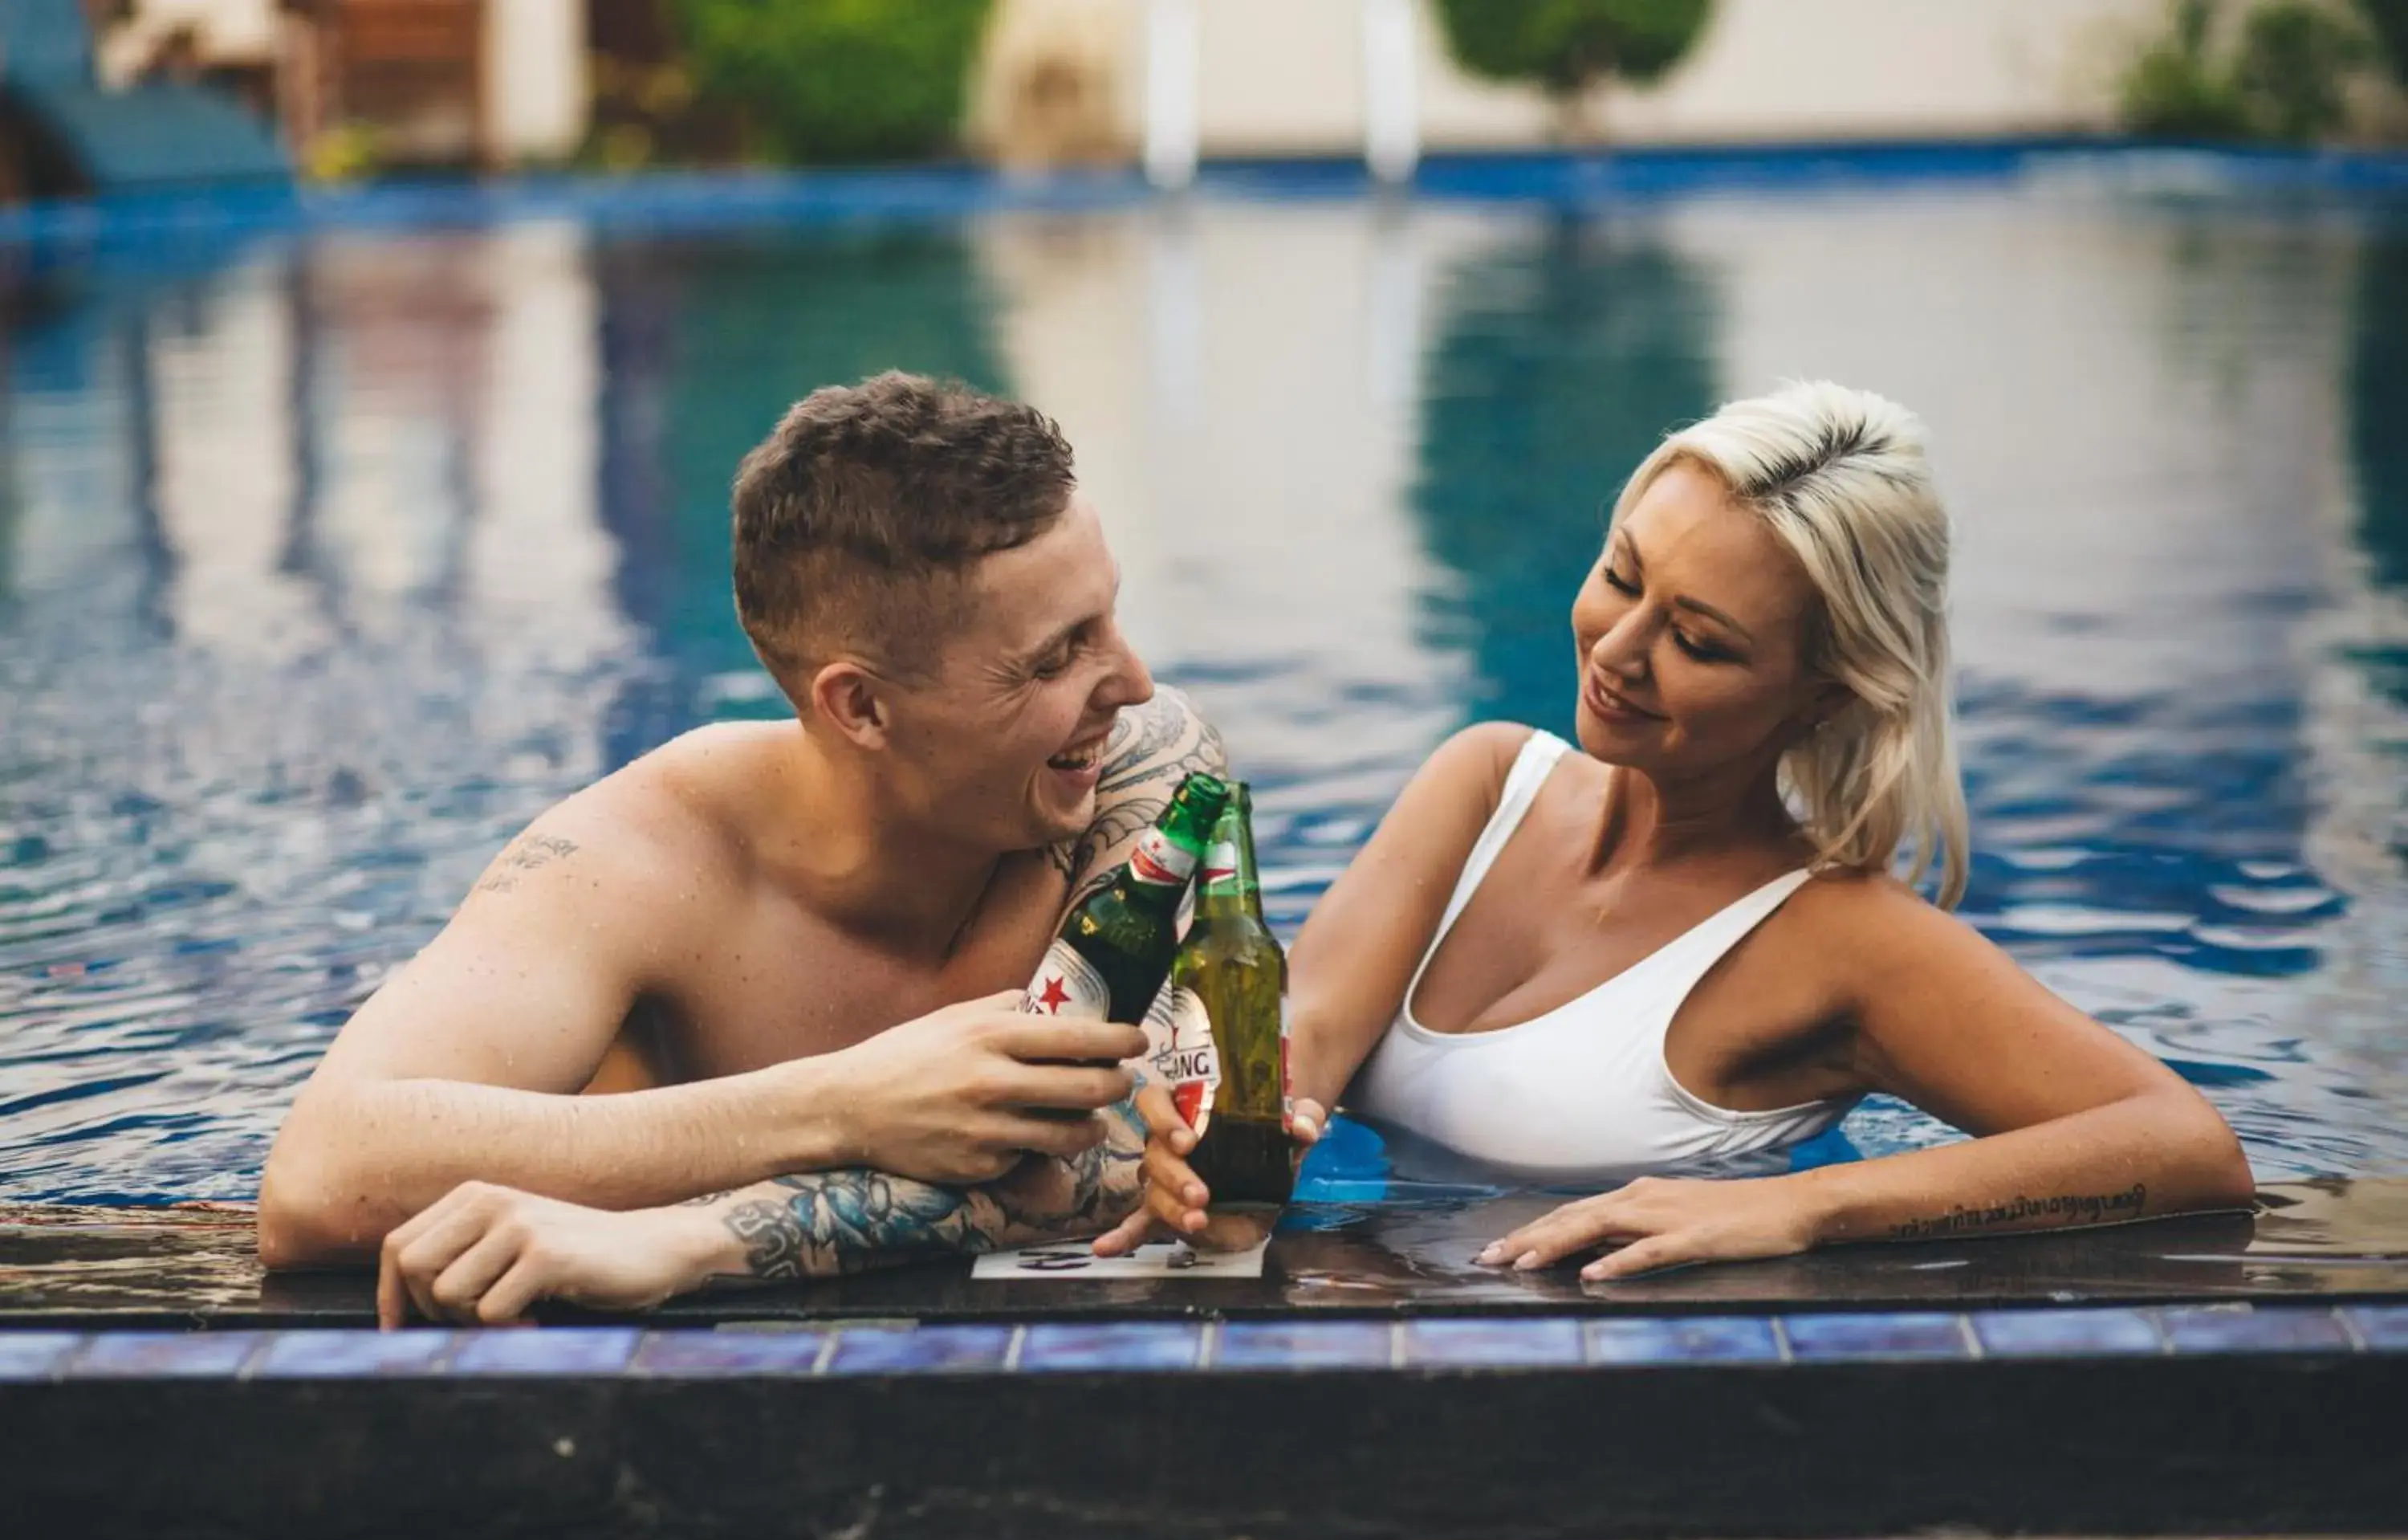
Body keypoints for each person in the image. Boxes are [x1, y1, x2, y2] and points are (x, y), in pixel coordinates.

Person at [1098, 381, 2255, 1278]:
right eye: (1621, 574)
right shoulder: (1485, 779)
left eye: (1699, 642)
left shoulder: (1840, 938)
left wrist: (1796, 1207)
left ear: (1827, 695)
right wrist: (1231, 1138)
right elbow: (1309, 1037)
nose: (1615, 648)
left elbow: (2191, 1151)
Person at [254, 373, 1226, 1325]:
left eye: (1110, 618)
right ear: (862, 705)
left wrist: (687, 1240)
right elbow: (316, 1177)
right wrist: (837, 1105)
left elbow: (1140, 1154)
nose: (1132, 682)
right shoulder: (634, 861)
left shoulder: (1149, 769)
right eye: (1056, 656)